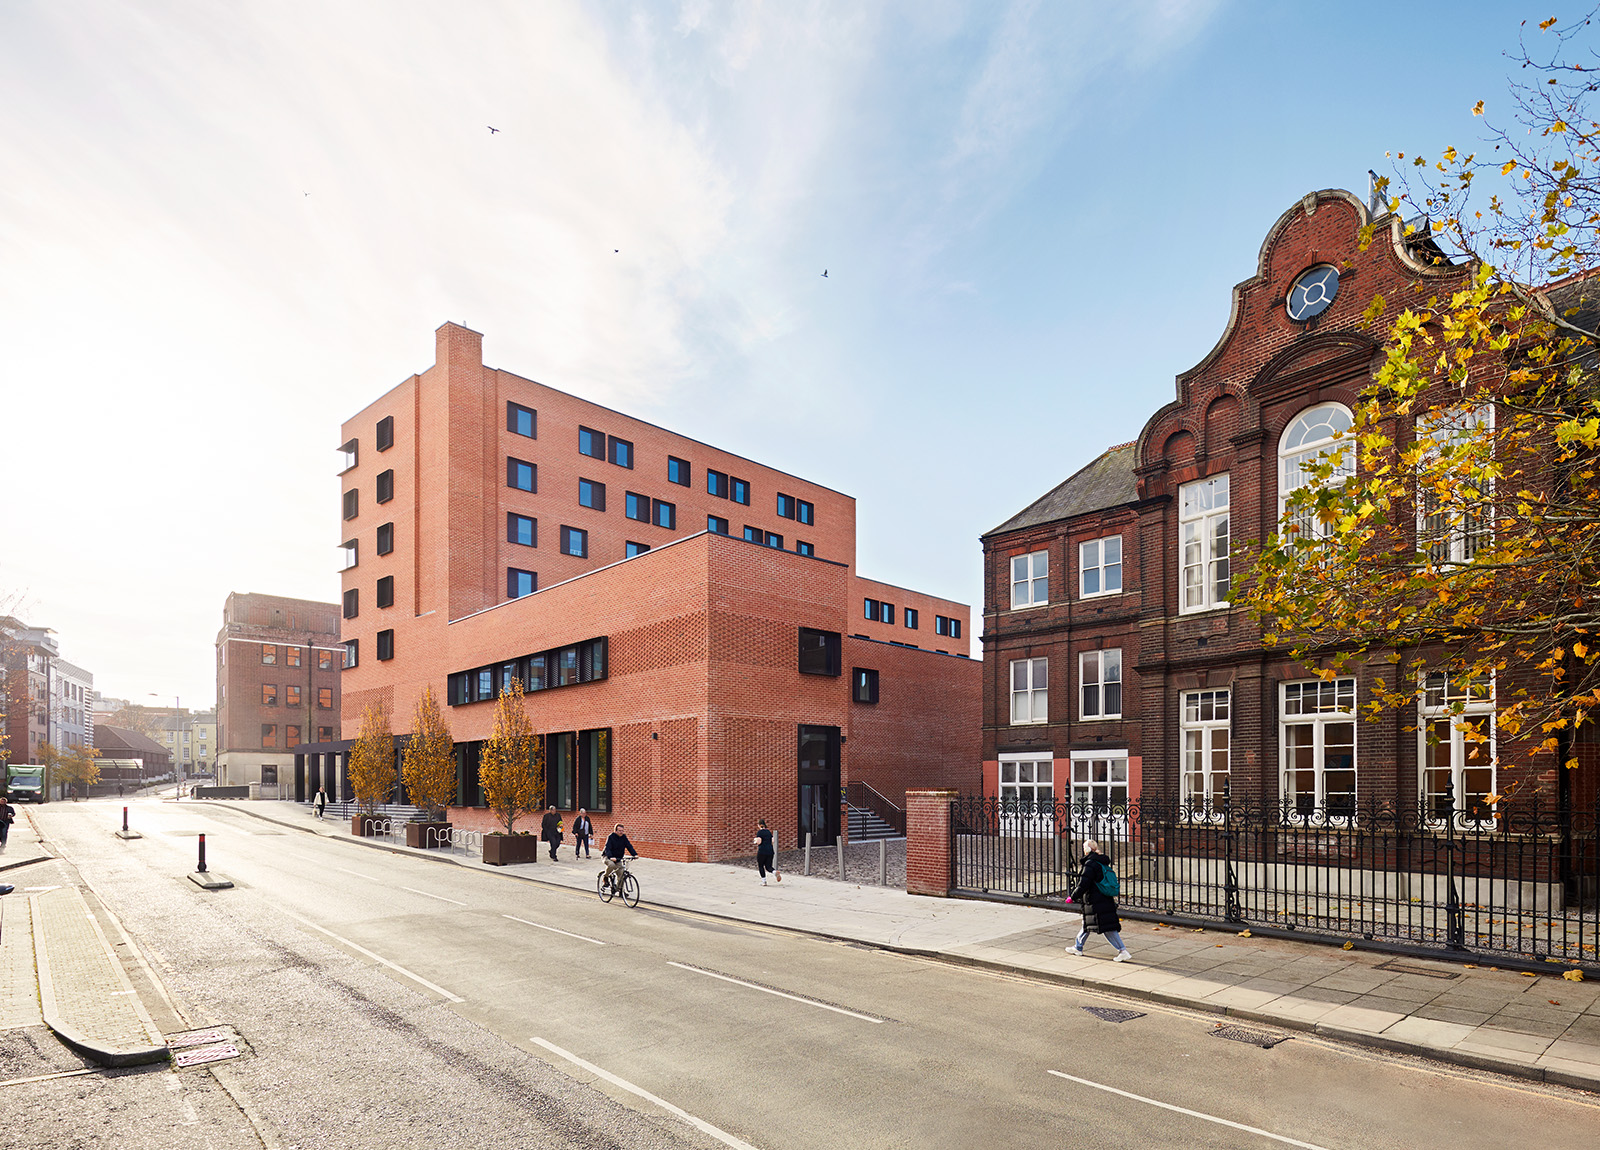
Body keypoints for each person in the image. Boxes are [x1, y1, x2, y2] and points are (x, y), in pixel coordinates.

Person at [1066, 840, 1132, 961]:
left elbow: (1083, 884)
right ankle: (1078, 947)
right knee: (1087, 924)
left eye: (1084, 848)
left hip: (1096, 901)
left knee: (1107, 928)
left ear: (1088, 850)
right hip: (1103, 899)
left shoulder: (1090, 864)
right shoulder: (1101, 862)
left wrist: (1073, 896)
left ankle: (1123, 951)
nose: (1083, 850)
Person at [602, 822, 638, 891]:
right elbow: (608, 848)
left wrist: (634, 854)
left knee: (621, 872)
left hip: (618, 858)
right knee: (611, 865)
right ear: (615, 831)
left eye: (622, 831)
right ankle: (605, 877)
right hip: (607, 856)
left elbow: (629, 846)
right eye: (619, 831)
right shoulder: (611, 837)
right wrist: (611, 857)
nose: (621, 832)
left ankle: (619, 889)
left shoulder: (624, 837)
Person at [753, 818, 781, 885]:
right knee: (768, 866)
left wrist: (755, 841)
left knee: (761, 866)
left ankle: (764, 881)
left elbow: (759, 842)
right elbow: (773, 841)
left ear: (759, 825)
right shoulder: (768, 832)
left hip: (762, 851)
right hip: (770, 851)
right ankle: (774, 872)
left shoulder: (760, 832)